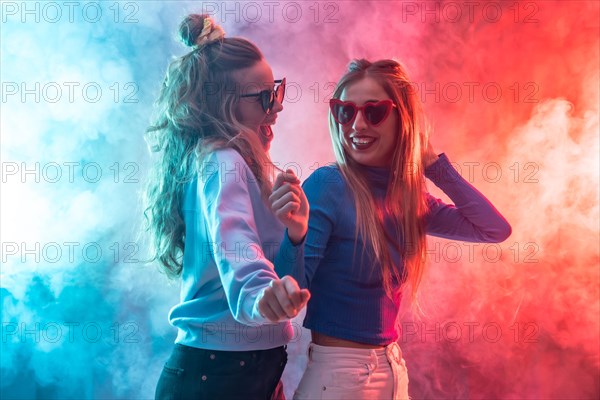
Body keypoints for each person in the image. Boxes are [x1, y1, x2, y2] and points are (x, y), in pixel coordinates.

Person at [276, 59, 512, 400]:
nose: (357, 124)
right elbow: (289, 291)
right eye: (345, 111)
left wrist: (434, 165)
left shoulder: (408, 197)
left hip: (393, 368)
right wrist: (295, 235)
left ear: (403, 119)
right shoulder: (328, 185)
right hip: (340, 376)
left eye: (374, 112)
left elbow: (493, 229)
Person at [143, 14, 310, 400]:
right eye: (265, 98)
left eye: (278, 90)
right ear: (225, 106)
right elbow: (236, 246)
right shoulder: (224, 162)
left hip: (230, 372)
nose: (278, 107)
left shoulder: (230, 159)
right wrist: (260, 296)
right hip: (218, 375)